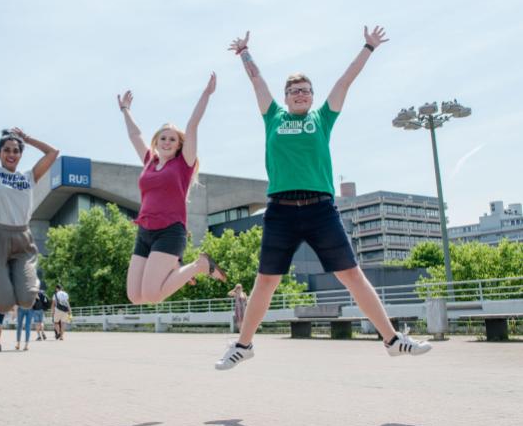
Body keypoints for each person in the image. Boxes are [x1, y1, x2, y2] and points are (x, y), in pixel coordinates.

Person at [216, 27, 432, 370]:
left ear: (312, 96)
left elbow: (346, 80)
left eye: (305, 90)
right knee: (266, 281)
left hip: (320, 210)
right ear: (285, 97)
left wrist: (368, 47)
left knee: (352, 276)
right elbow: (256, 79)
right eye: (294, 91)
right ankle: (244, 344)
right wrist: (244, 52)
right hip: (281, 211)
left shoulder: (322, 118)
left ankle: (392, 340)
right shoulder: (273, 116)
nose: (300, 94)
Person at [117, 74, 227, 306]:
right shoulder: (148, 160)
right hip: (145, 232)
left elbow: (192, 125)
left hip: (170, 232)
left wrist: (206, 94)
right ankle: (185, 267)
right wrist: (125, 110)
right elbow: (135, 135)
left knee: (153, 295)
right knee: (135, 297)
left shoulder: (183, 164)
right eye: (163, 138)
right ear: (156, 141)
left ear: (179, 145)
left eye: (173, 140)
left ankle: (199, 265)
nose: (167, 142)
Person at [0, 105, 59, 322]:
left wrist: (27, 138)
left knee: (27, 299)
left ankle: (7, 281)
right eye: (6, 150)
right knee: (5, 303)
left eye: (16, 150)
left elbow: (53, 153)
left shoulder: (29, 177)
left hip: (22, 239)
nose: (11, 154)